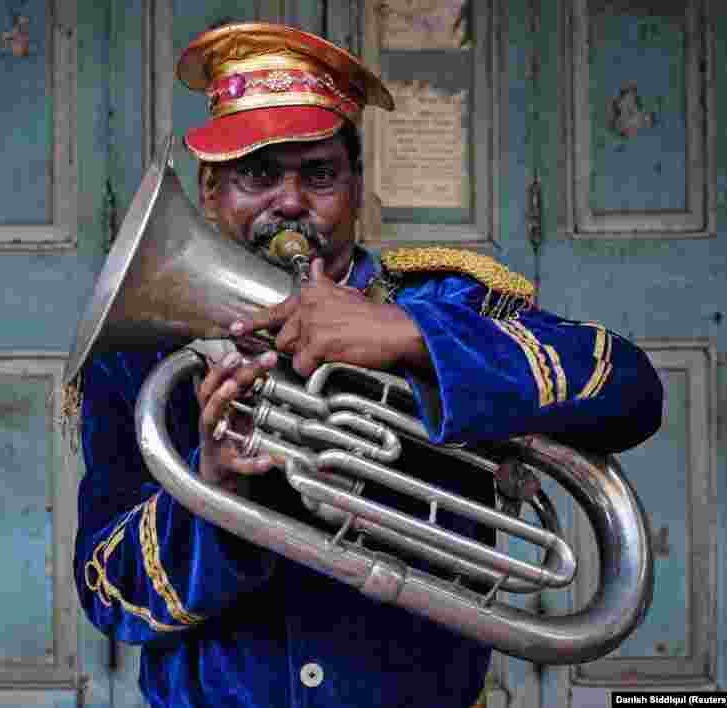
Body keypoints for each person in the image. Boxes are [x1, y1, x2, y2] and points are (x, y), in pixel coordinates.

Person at [73, 22, 663, 708]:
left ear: (356, 187)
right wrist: (212, 494)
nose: (289, 202)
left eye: (318, 174)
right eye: (257, 175)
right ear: (210, 192)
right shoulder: (138, 358)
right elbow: (108, 594)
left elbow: (627, 388)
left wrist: (412, 334)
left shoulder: (446, 299)